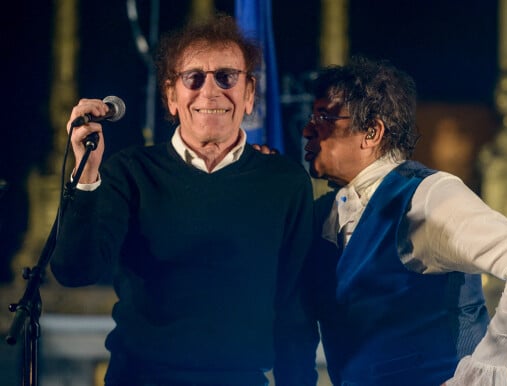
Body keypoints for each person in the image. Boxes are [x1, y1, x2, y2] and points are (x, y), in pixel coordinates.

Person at [50, 15, 316, 386]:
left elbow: (295, 311)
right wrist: (87, 173)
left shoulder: (285, 182)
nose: (210, 92)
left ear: (249, 93)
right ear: (171, 96)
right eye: (194, 78)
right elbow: (74, 272)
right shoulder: (129, 173)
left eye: (227, 77)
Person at [299, 57, 507, 386]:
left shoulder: (427, 196)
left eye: (324, 117)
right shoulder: (325, 214)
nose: (307, 130)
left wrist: (481, 372)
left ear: (371, 132)